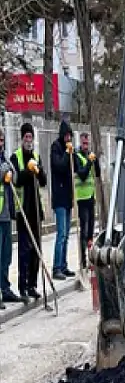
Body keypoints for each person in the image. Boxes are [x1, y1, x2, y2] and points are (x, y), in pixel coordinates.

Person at [12, 123, 46, 300]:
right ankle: (23, 287)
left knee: (36, 251)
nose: (28, 140)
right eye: (26, 137)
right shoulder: (16, 157)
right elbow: (16, 179)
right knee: (24, 251)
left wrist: (38, 171)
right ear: (22, 138)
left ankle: (33, 285)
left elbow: (44, 181)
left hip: (35, 211)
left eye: (30, 137)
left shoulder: (36, 156)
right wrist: (28, 170)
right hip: (22, 211)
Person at [48, 120, 76, 281]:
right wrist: (66, 153)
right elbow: (58, 166)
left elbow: (74, 168)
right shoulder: (56, 148)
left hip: (67, 197)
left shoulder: (69, 149)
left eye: (69, 136)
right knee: (61, 234)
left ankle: (64, 265)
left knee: (66, 235)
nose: (68, 138)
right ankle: (56, 267)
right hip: (59, 197)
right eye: (66, 135)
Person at [73, 132, 100, 272]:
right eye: (84, 143)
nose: (85, 146)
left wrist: (96, 161)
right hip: (81, 198)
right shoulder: (76, 156)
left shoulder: (89, 155)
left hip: (90, 197)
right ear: (80, 143)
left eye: (87, 143)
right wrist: (89, 162)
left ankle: (90, 258)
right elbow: (82, 175)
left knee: (90, 230)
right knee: (83, 230)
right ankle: (82, 260)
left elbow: (98, 173)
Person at [0, 132, 18, 307]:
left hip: (5, 215)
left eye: (2, 140)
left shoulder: (4, 158)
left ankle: (5, 289)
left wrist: (10, 171)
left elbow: (15, 176)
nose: (1, 143)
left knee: (6, 256)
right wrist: (5, 171)